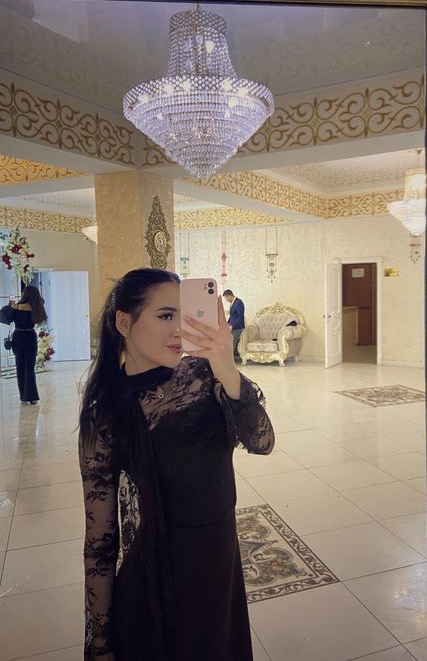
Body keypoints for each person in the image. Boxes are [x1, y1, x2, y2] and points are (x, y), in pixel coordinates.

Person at [78, 268, 274, 661]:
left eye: (183, 316)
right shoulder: (107, 415)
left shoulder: (203, 376)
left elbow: (262, 441)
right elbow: (100, 540)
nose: (179, 330)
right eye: (166, 315)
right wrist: (101, 642)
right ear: (124, 322)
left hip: (219, 566)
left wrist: (226, 366)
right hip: (158, 582)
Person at [0, 285, 47, 404]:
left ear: (24, 294)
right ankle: (32, 397)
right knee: (30, 368)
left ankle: (23, 396)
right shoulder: (37, 307)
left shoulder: (16, 307)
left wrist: (9, 306)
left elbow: (6, 317)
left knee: (20, 367)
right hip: (30, 337)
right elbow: (41, 318)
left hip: (18, 337)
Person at [222, 289, 245, 361]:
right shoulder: (233, 303)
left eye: (226, 298)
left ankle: (229, 360)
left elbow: (240, 316)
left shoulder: (239, 302)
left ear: (229, 296)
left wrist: (232, 326)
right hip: (232, 326)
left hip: (238, 327)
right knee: (228, 341)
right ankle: (229, 358)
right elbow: (232, 316)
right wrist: (228, 324)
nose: (226, 300)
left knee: (232, 342)